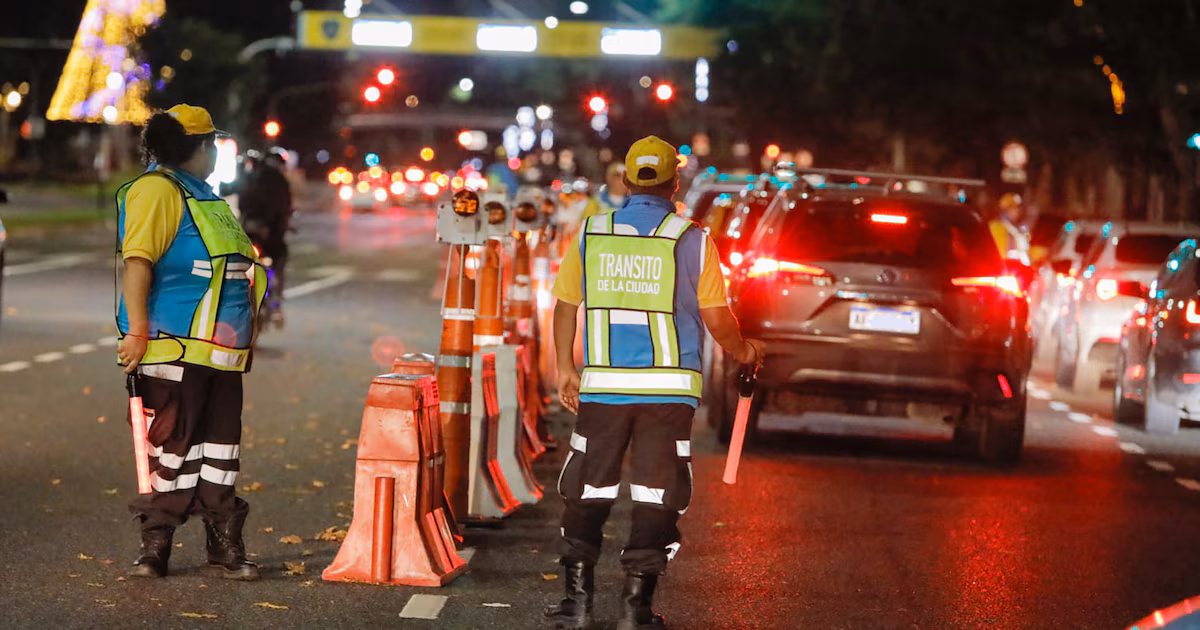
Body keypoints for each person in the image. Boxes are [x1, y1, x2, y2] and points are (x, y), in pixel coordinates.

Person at [545, 135, 765, 630]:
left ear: (624, 181)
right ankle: (635, 610)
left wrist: (565, 368)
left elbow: (565, 305)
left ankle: (576, 605)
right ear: (675, 183)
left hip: (602, 389)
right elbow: (717, 316)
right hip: (669, 394)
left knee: (588, 489)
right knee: (656, 493)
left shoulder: (592, 233)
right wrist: (744, 350)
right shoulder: (693, 239)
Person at [115, 104, 266, 580]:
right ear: (199, 148)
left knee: (221, 450)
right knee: (173, 450)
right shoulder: (157, 190)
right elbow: (138, 261)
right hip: (173, 347)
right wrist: (137, 332)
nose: (218, 153)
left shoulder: (207, 198)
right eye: (214, 145)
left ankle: (224, 543)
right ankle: (154, 548)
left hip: (218, 353)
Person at [238, 147, 292, 326]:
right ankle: (276, 305)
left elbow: (242, 203)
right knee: (280, 260)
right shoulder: (280, 182)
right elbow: (283, 209)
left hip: (249, 231)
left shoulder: (251, 178)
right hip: (271, 236)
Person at [989, 192, 1030, 266]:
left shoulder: (1019, 228)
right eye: (1014, 208)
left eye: (1018, 208)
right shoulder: (997, 226)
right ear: (1006, 210)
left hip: (1019, 267)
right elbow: (998, 251)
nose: (1017, 211)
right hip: (1005, 268)